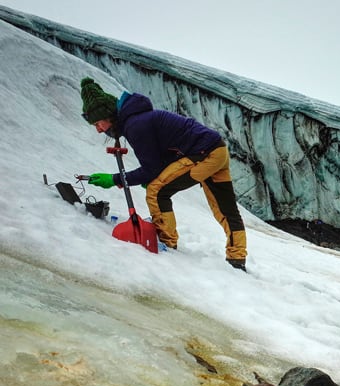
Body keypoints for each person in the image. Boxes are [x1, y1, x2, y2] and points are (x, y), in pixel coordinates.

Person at [79, 77, 248, 271]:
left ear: (108, 116)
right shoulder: (138, 120)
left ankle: (167, 245)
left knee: (157, 191)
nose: (99, 130)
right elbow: (161, 159)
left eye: (98, 124)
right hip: (217, 150)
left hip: (204, 153)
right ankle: (237, 260)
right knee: (226, 209)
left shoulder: (135, 125)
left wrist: (114, 179)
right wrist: (149, 174)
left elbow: (151, 169)